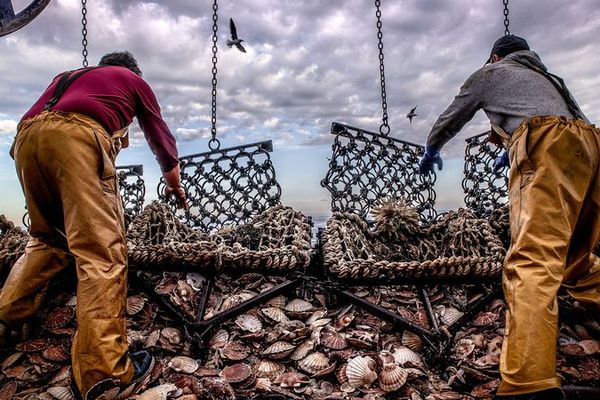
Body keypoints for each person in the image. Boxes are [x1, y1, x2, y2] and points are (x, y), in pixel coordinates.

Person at [419, 35, 600, 399]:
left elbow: (453, 116)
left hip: (548, 143)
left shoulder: (492, 72)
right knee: (576, 261)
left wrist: (432, 147)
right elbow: (562, 122)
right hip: (591, 147)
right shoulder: (549, 79)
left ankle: (528, 384)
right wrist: (513, 143)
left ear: (496, 56)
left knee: (533, 260)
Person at [0, 51, 188, 399]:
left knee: (46, 240)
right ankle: (105, 371)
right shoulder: (133, 81)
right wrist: (173, 178)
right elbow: (158, 132)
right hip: (76, 137)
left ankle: (4, 321)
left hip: (26, 142)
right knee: (100, 254)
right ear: (131, 71)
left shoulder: (66, 76)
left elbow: (46, 120)